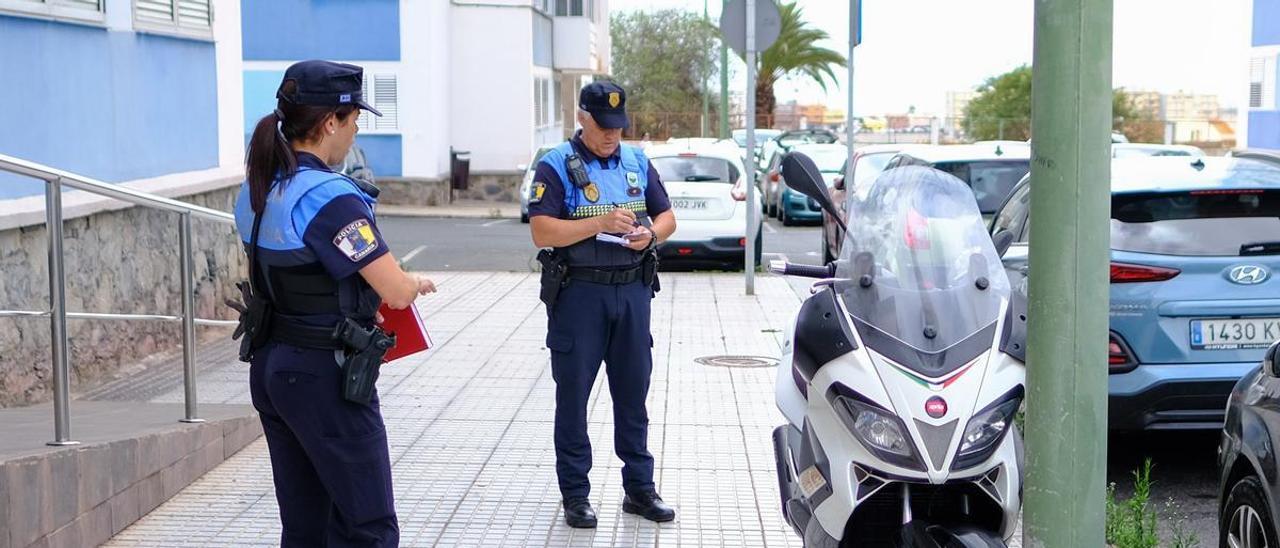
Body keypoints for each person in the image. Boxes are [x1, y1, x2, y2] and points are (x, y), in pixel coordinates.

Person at [231, 60, 435, 547]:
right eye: (353, 121)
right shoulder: (330, 197)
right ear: (329, 123)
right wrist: (414, 281)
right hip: (326, 377)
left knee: (306, 527)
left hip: (273, 368)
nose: (354, 132)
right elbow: (394, 290)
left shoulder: (258, 189)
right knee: (368, 527)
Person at [527, 81, 678, 528]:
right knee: (572, 397)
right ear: (582, 118)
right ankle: (576, 494)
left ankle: (640, 489)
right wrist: (598, 223)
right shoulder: (555, 165)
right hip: (580, 296)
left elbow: (667, 216)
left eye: (618, 126)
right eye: (603, 126)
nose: (612, 134)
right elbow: (542, 231)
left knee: (634, 394)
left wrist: (651, 234)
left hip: (632, 292)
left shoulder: (636, 160)